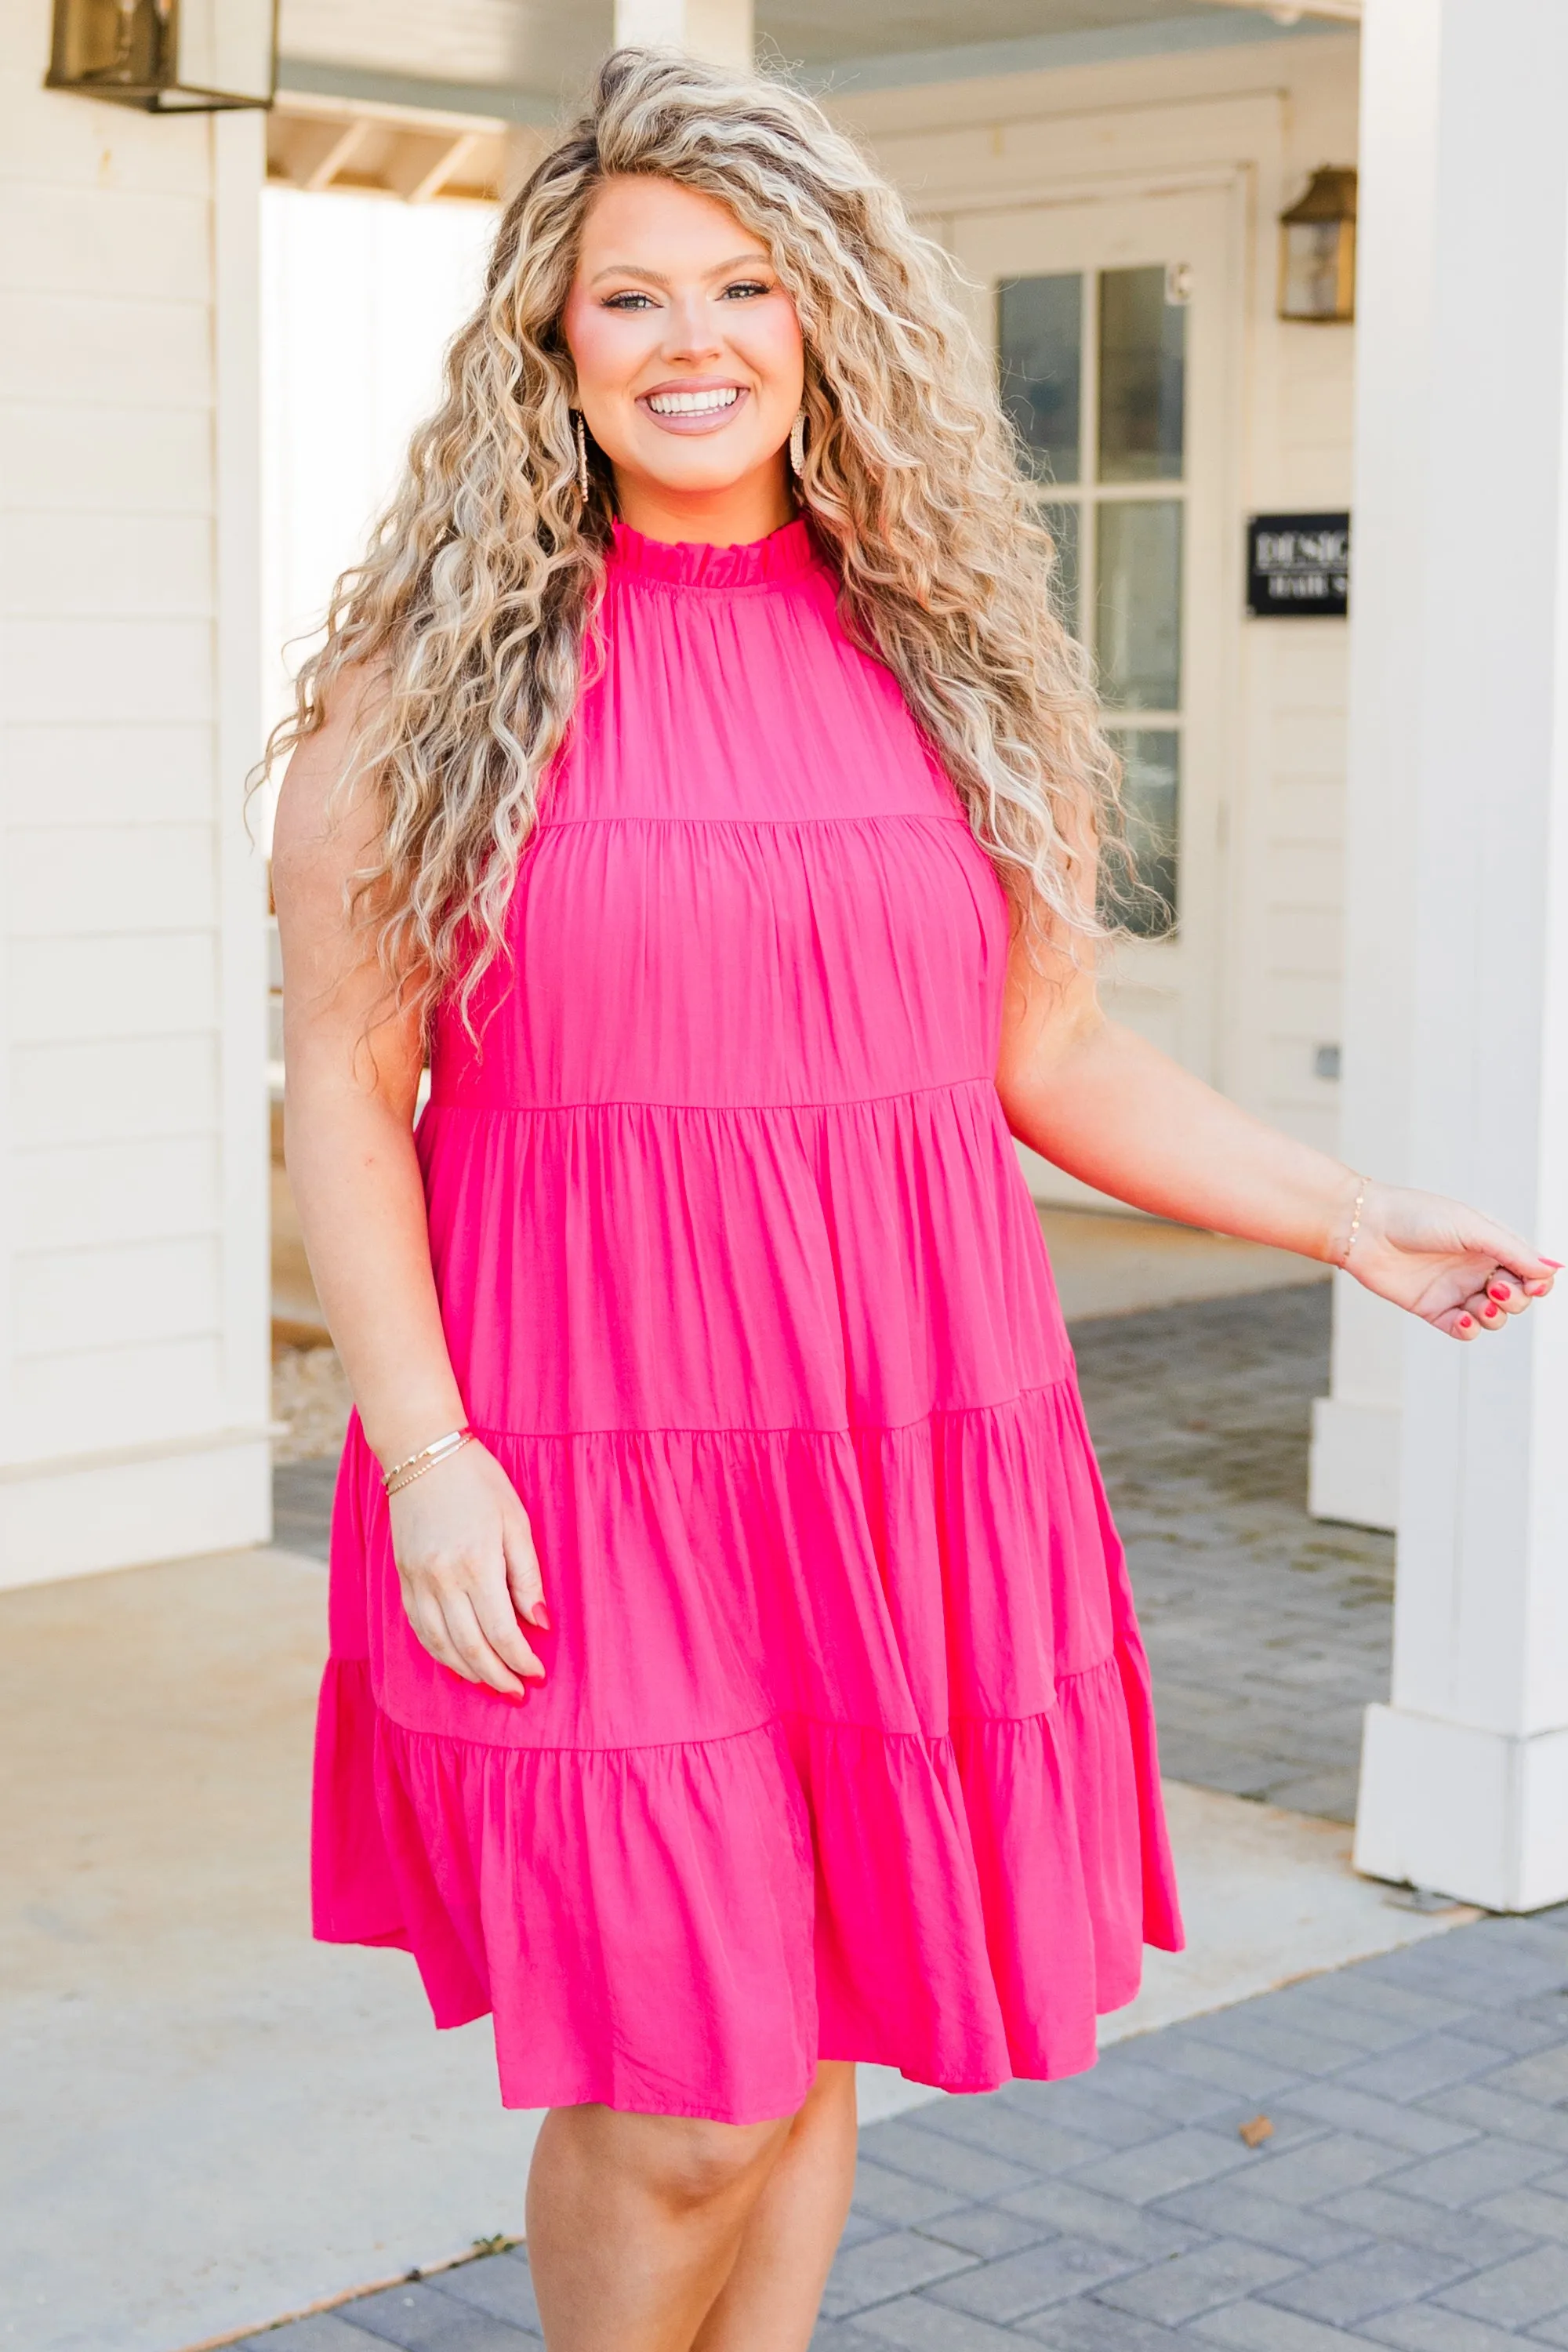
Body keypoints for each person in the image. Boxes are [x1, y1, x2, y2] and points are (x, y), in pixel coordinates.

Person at [268, 47, 1556, 2352]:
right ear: (545, 346)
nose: (693, 341)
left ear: (830, 315)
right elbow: (348, 1097)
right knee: (687, 2079)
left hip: (895, 1433)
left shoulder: (954, 670)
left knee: (822, 2004)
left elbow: (1046, 1054)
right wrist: (426, 1445)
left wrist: (1344, 1216)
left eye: (746, 285)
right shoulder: (428, 694)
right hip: (572, 1455)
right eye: (631, 296)